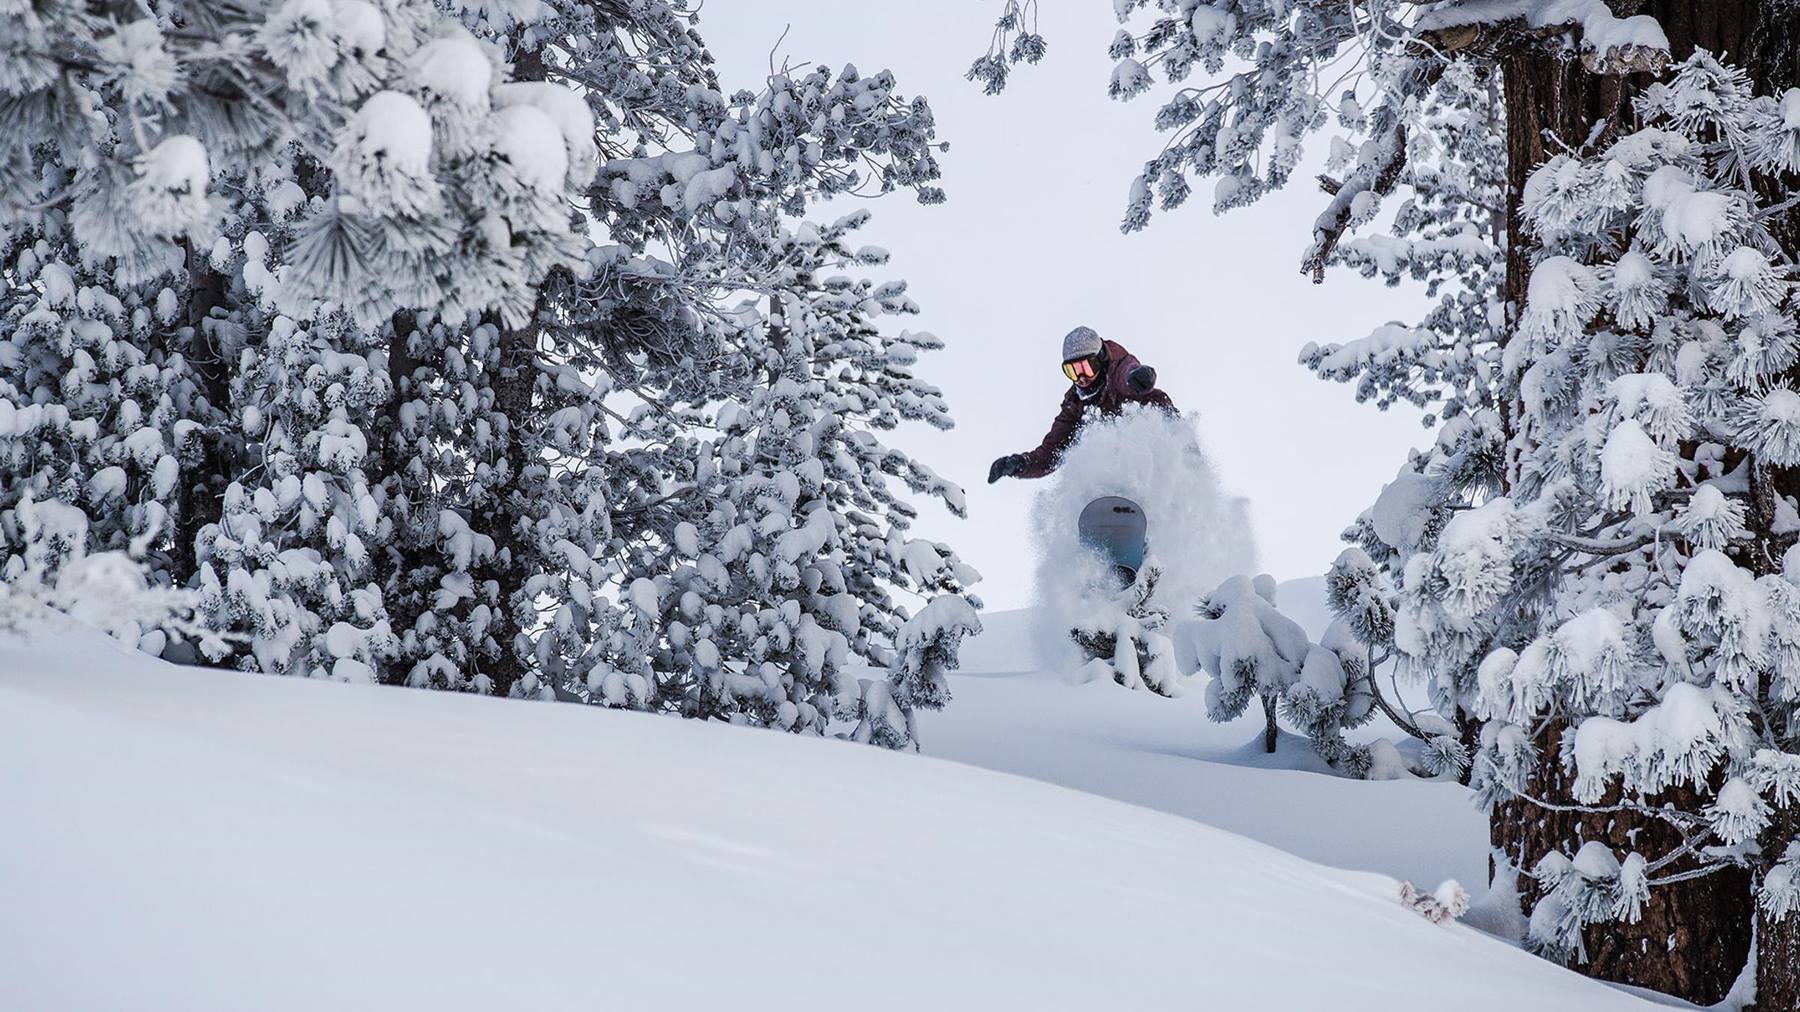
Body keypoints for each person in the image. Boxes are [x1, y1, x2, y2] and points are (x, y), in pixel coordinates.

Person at [987, 326, 1175, 483]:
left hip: (1155, 456)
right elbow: (1050, 455)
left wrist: (1137, 377)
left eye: (1086, 367)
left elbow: (1126, 373)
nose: (1081, 378)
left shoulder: (1119, 373)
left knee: (1147, 413)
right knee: (1091, 446)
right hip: (1114, 472)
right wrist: (1020, 464)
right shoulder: (1075, 405)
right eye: (1072, 371)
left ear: (1100, 359)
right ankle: (1104, 504)